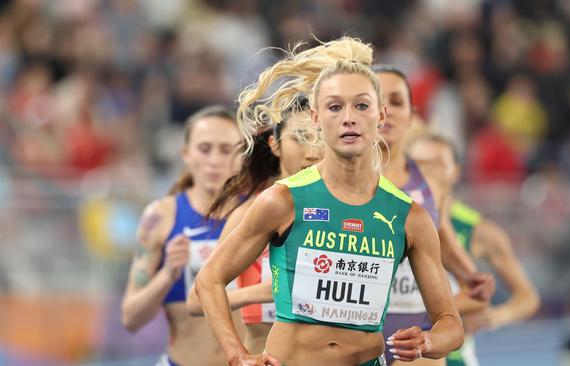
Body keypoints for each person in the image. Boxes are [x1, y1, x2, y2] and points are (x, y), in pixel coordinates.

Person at [194, 37, 464, 366]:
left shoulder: (409, 217)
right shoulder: (283, 200)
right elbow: (209, 280)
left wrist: (429, 340)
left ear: (380, 116)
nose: (348, 118)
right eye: (335, 107)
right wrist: (237, 356)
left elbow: (451, 324)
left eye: (361, 106)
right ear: (316, 118)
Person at [373, 65, 494, 366]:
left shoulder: (431, 179)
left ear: (412, 113)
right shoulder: (337, 177)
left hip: (414, 334)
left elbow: (443, 241)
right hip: (353, 329)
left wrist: (470, 279)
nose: (387, 112)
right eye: (377, 102)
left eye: (397, 102)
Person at [187, 95, 323, 355]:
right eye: (300, 138)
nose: (313, 151)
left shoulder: (344, 213)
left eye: (320, 137)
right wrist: (263, 292)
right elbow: (196, 300)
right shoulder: (250, 214)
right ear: (275, 144)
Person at [121, 106, 243, 366]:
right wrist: (167, 274)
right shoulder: (161, 217)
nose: (214, 160)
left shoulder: (260, 213)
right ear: (186, 154)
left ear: (242, 155)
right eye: (204, 148)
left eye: (225, 150)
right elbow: (130, 317)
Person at [410, 134, 541, 366]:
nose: (426, 173)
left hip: (453, 355)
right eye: (418, 164)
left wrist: (496, 316)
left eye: (437, 164)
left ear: (455, 171)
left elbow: (528, 297)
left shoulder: (478, 231)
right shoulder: (395, 219)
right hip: (403, 351)